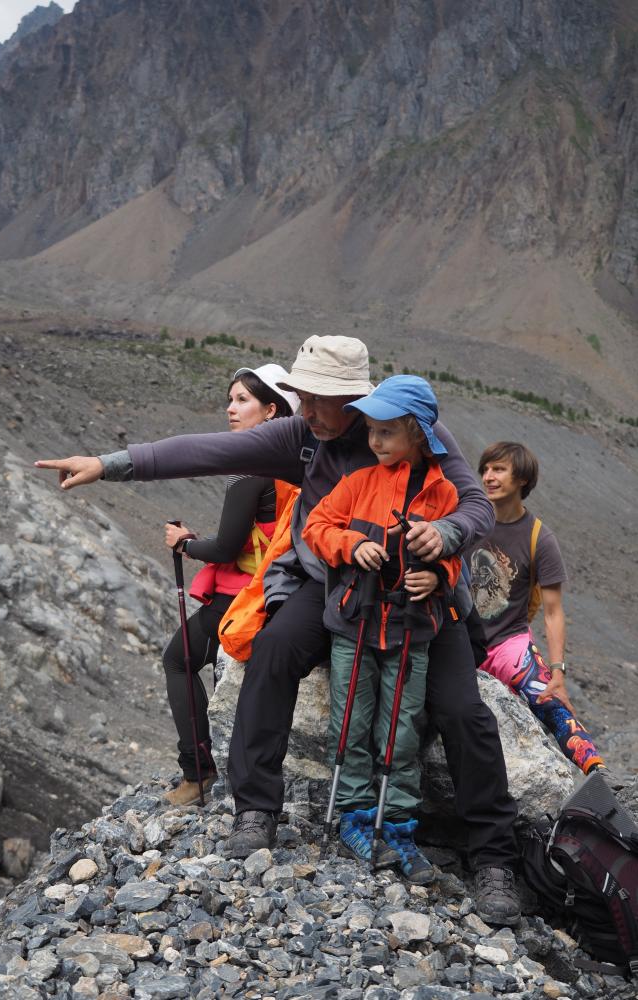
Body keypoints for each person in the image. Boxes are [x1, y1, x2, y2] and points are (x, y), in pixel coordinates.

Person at [35, 335, 521, 926]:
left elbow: (474, 506)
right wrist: (109, 465)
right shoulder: (300, 436)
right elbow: (206, 451)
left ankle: (493, 858)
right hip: (333, 582)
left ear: (356, 400)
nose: (305, 409)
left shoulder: (417, 432)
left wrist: (442, 541)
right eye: (300, 396)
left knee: (463, 712)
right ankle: (255, 809)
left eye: (318, 399)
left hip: (418, 592)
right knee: (271, 654)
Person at [302, 376, 461, 883]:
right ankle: (353, 817)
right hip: (356, 622)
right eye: (371, 430)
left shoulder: (445, 493)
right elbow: (316, 527)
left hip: (412, 628)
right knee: (350, 721)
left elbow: (458, 558)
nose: (374, 441)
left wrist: (437, 574)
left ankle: (397, 828)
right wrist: (351, 544)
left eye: (386, 432)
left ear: (417, 433)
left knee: (402, 728)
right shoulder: (359, 482)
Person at [162, 364, 299, 806]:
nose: (230, 409)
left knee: (179, 660)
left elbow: (224, 549)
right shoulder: (296, 463)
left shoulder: (251, 469)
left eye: (243, 400)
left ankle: (196, 772)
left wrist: (184, 543)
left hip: (242, 596)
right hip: (286, 590)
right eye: (231, 399)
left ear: (272, 410)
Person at [469, 441, 604, 776]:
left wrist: (557, 672)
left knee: (551, 701)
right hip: (459, 638)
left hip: (507, 645)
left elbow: (554, 612)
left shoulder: (539, 538)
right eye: (485, 469)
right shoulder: (468, 520)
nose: (488, 476)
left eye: (498, 469)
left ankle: (598, 776)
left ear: (523, 480)